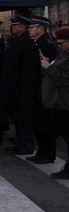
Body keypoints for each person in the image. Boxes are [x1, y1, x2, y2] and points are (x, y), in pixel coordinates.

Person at [0, 11, 41, 155]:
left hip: (22, 85)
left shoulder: (27, 42)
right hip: (14, 84)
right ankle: (20, 141)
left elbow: (27, 67)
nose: (12, 27)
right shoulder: (17, 40)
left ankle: (26, 144)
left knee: (24, 117)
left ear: (22, 27)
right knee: (16, 115)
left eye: (14, 25)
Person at [28, 17, 60, 163]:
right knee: (38, 123)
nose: (30, 29)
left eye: (32, 27)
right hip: (37, 88)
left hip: (44, 90)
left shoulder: (47, 45)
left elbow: (50, 69)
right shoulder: (38, 43)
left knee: (46, 123)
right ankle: (42, 151)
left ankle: (48, 153)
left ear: (41, 29)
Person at [39, 26, 69, 179]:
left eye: (62, 42)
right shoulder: (63, 55)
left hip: (63, 103)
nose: (59, 45)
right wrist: (47, 64)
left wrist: (48, 68)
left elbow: (64, 80)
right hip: (57, 102)